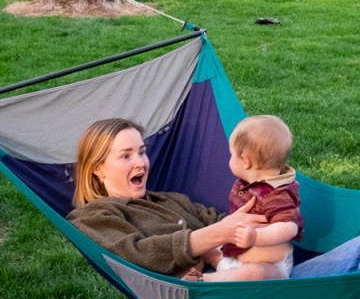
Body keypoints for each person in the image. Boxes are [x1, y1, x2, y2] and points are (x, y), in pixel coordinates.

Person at [70, 118, 268, 278]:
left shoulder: (172, 200)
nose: (141, 163)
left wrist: (261, 215)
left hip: (246, 267)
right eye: (125, 156)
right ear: (98, 168)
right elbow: (139, 253)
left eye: (142, 152)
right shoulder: (92, 216)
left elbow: (216, 219)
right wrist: (216, 235)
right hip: (200, 294)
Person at [195, 115, 303, 282]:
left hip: (269, 266)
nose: (229, 158)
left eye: (231, 154)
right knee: (204, 248)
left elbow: (289, 228)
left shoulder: (278, 192)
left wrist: (255, 237)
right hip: (234, 257)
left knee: (254, 273)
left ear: (246, 161)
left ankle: (205, 281)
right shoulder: (247, 183)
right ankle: (193, 272)